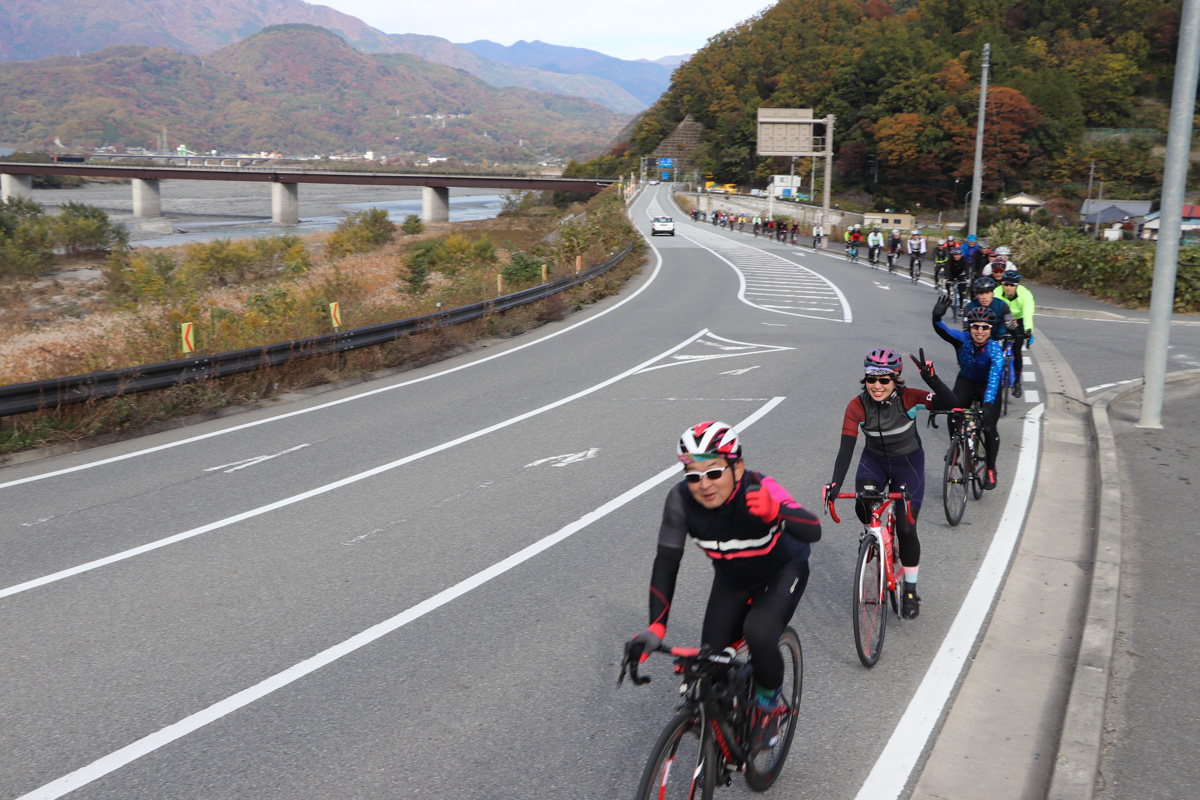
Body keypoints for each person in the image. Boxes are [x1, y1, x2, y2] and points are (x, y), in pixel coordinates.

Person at [625, 422, 822, 753]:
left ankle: (768, 705)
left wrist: (776, 513)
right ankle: (723, 729)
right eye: (693, 476)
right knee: (709, 668)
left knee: (759, 632)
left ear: (737, 467)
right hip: (732, 580)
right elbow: (666, 562)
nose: (704, 485)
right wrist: (656, 625)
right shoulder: (679, 501)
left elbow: (812, 528)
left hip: (782, 570)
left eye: (714, 472)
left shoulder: (759, 488)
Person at [822, 349, 958, 619]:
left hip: (908, 465)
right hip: (874, 462)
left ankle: (909, 588)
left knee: (906, 529)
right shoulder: (857, 406)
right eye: (872, 379)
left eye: (885, 380)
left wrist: (933, 380)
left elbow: (952, 403)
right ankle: (872, 534)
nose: (877, 386)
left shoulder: (909, 398)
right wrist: (835, 484)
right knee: (864, 503)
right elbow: (846, 449)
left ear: (896, 380)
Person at [931, 301, 1005, 490]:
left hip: (989, 385)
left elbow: (995, 378)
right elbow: (943, 331)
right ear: (970, 328)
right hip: (967, 381)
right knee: (954, 409)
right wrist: (936, 317)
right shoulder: (962, 339)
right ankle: (955, 448)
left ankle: (990, 468)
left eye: (984, 328)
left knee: (989, 426)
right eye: (975, 327)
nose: (979, 331)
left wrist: (988, 404)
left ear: (990, 330)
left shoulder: (995, 350)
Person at [999, 269, 1035, 397]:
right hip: (1003, 318)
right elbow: (993, 311)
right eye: (1006, 284)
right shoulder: (997, 292)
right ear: (1002, 284)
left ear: (1017, 285)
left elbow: (1028, 313)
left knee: (1016, 351)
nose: (1008, 287)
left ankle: (1017, 382)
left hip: (1019, 321)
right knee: (997, 349)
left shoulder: (1025, 295)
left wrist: (1028, 330)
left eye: (1012, 285)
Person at [964, 275, 1017, 341]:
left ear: (993, 293)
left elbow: (1011, 324)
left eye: (987, 293)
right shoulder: (969, 307)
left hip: (998, 338)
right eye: (981, 293)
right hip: (978, 339)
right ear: (976, 295)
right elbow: (966, 330)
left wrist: (1011, 325)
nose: (984, 297)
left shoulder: (1002, 305)